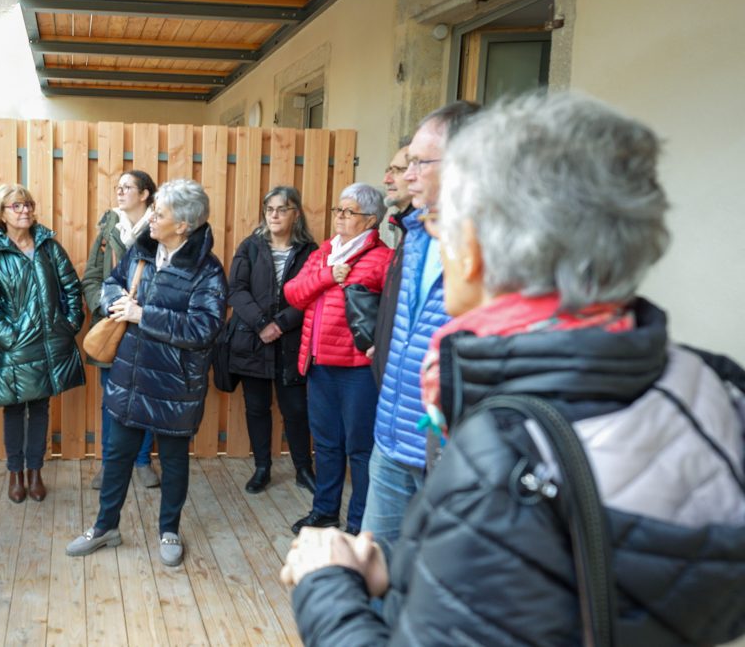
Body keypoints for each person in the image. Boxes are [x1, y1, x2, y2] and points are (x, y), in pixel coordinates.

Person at [282, 92, 745, 646]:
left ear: (471, 247)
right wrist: (407, 578)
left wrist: (325, 585)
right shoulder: (715, 386)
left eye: (438, 219)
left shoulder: (502, 460)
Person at [66, 179, 227, 567]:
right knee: (117, 456)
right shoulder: (142, 251)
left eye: (160, 213)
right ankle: (105, 527)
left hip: (174, 385)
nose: (151, 217)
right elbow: (109, 283)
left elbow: (205, 328)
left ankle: (168, 528)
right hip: (130, 375)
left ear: (184, 225)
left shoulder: (207, 271)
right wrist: (116, 302)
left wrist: (144, 315)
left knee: (173, 461)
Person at [361, 100, 481, 547]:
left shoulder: (497, 248)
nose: (406, 175)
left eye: (418, 163)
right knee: (378, 579)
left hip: (448, 459)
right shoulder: (414, 233)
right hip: (391, 441)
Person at [284, 183, 392, 534]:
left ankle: (360, 523)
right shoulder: (325, 253)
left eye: (349, 212)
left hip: (358, 370)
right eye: (338, 211)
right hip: (319, 366)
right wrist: (329, 275)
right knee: (327, 446)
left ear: (370, 221)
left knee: (359, 449)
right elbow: (294, 294)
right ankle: (325, 511)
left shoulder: (382, 259)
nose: (340, 218)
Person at [0, 184, 85, 503]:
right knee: (13, 411)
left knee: (39, 408)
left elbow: (71, 289)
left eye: (28, 204)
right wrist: (10, 337)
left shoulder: (49, 248)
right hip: (13, 348)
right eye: (16, 206)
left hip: (51, 345)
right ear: (1, 213)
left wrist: (69, 325)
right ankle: (15, 473)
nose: (24, 210)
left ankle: (35, 472)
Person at [225, 186, 317, 494]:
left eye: (282, 209)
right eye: (269, 209)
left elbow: (312, 295)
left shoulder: (310, 251)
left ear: (296, 214)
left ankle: (303, 468)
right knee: (256, 407)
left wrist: (280, 324)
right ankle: (262, 468)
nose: (274, 215)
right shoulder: (250, 246)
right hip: (253, 341)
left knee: (296, 409)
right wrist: (263, 324)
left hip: (292, 343)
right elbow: (236, 290)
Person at [82, 170, 161, 490]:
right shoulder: (107, 231)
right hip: (112, 327)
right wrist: (106, 307)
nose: (120, 192)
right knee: (111, 399)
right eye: (118, 187)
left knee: (147, 397)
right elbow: (90, 278)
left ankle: (142, 461)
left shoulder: (161, 229)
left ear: (145, 195)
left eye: (127, 187)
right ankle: (111, 462)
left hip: (149, 328)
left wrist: (147, 311)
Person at [377, 139, 412, 249]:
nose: (386, 180)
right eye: (389, 170)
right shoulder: (408, 226)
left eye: (398, 170)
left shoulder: (433, 230)